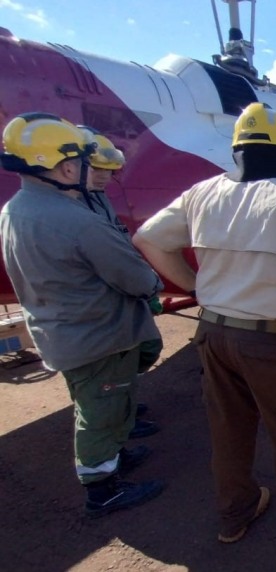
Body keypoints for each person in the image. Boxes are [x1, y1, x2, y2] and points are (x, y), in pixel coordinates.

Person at [133, 103, 276, 544]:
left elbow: (148, 239)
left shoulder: (202, 192)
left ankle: (236, 515)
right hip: (274, 341)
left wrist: (197, 287)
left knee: (228, 430)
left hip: (213, 334)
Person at [0, 112, 165, 518]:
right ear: (68, 166)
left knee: (97, 404)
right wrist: (154, 286)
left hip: (62, 333)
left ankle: (114, 456)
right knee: (99, 414)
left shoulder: (15, 209)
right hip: (98, 337)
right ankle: (102, 490)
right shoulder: (75, 220)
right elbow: (133, 276)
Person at [79, 125, 163, 437]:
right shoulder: (72, 207)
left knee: (141, 351)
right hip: (99, 306)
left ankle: (121, 407)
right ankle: (105, 478)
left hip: (121, 297)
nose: (103, 176)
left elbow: (119, 242)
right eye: (97, 168)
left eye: (108, 169)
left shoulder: (96, 199)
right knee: (106, 375)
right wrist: (146, 286)